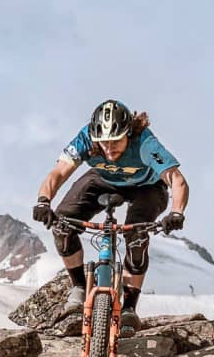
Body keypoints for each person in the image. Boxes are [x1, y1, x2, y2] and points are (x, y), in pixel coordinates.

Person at [32, 100, 189, 337]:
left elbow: (176, 179)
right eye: (103, 142)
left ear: (128, 133)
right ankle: (79, 287)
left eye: (115, 140)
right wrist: (44, 201)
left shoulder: (145, 143)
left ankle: (129, 308)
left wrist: (176, 212)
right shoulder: (86, 139)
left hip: (147, 186)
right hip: (102, 179)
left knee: (136, 235)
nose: (108, 147)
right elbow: (58, 172)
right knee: (62, 225)